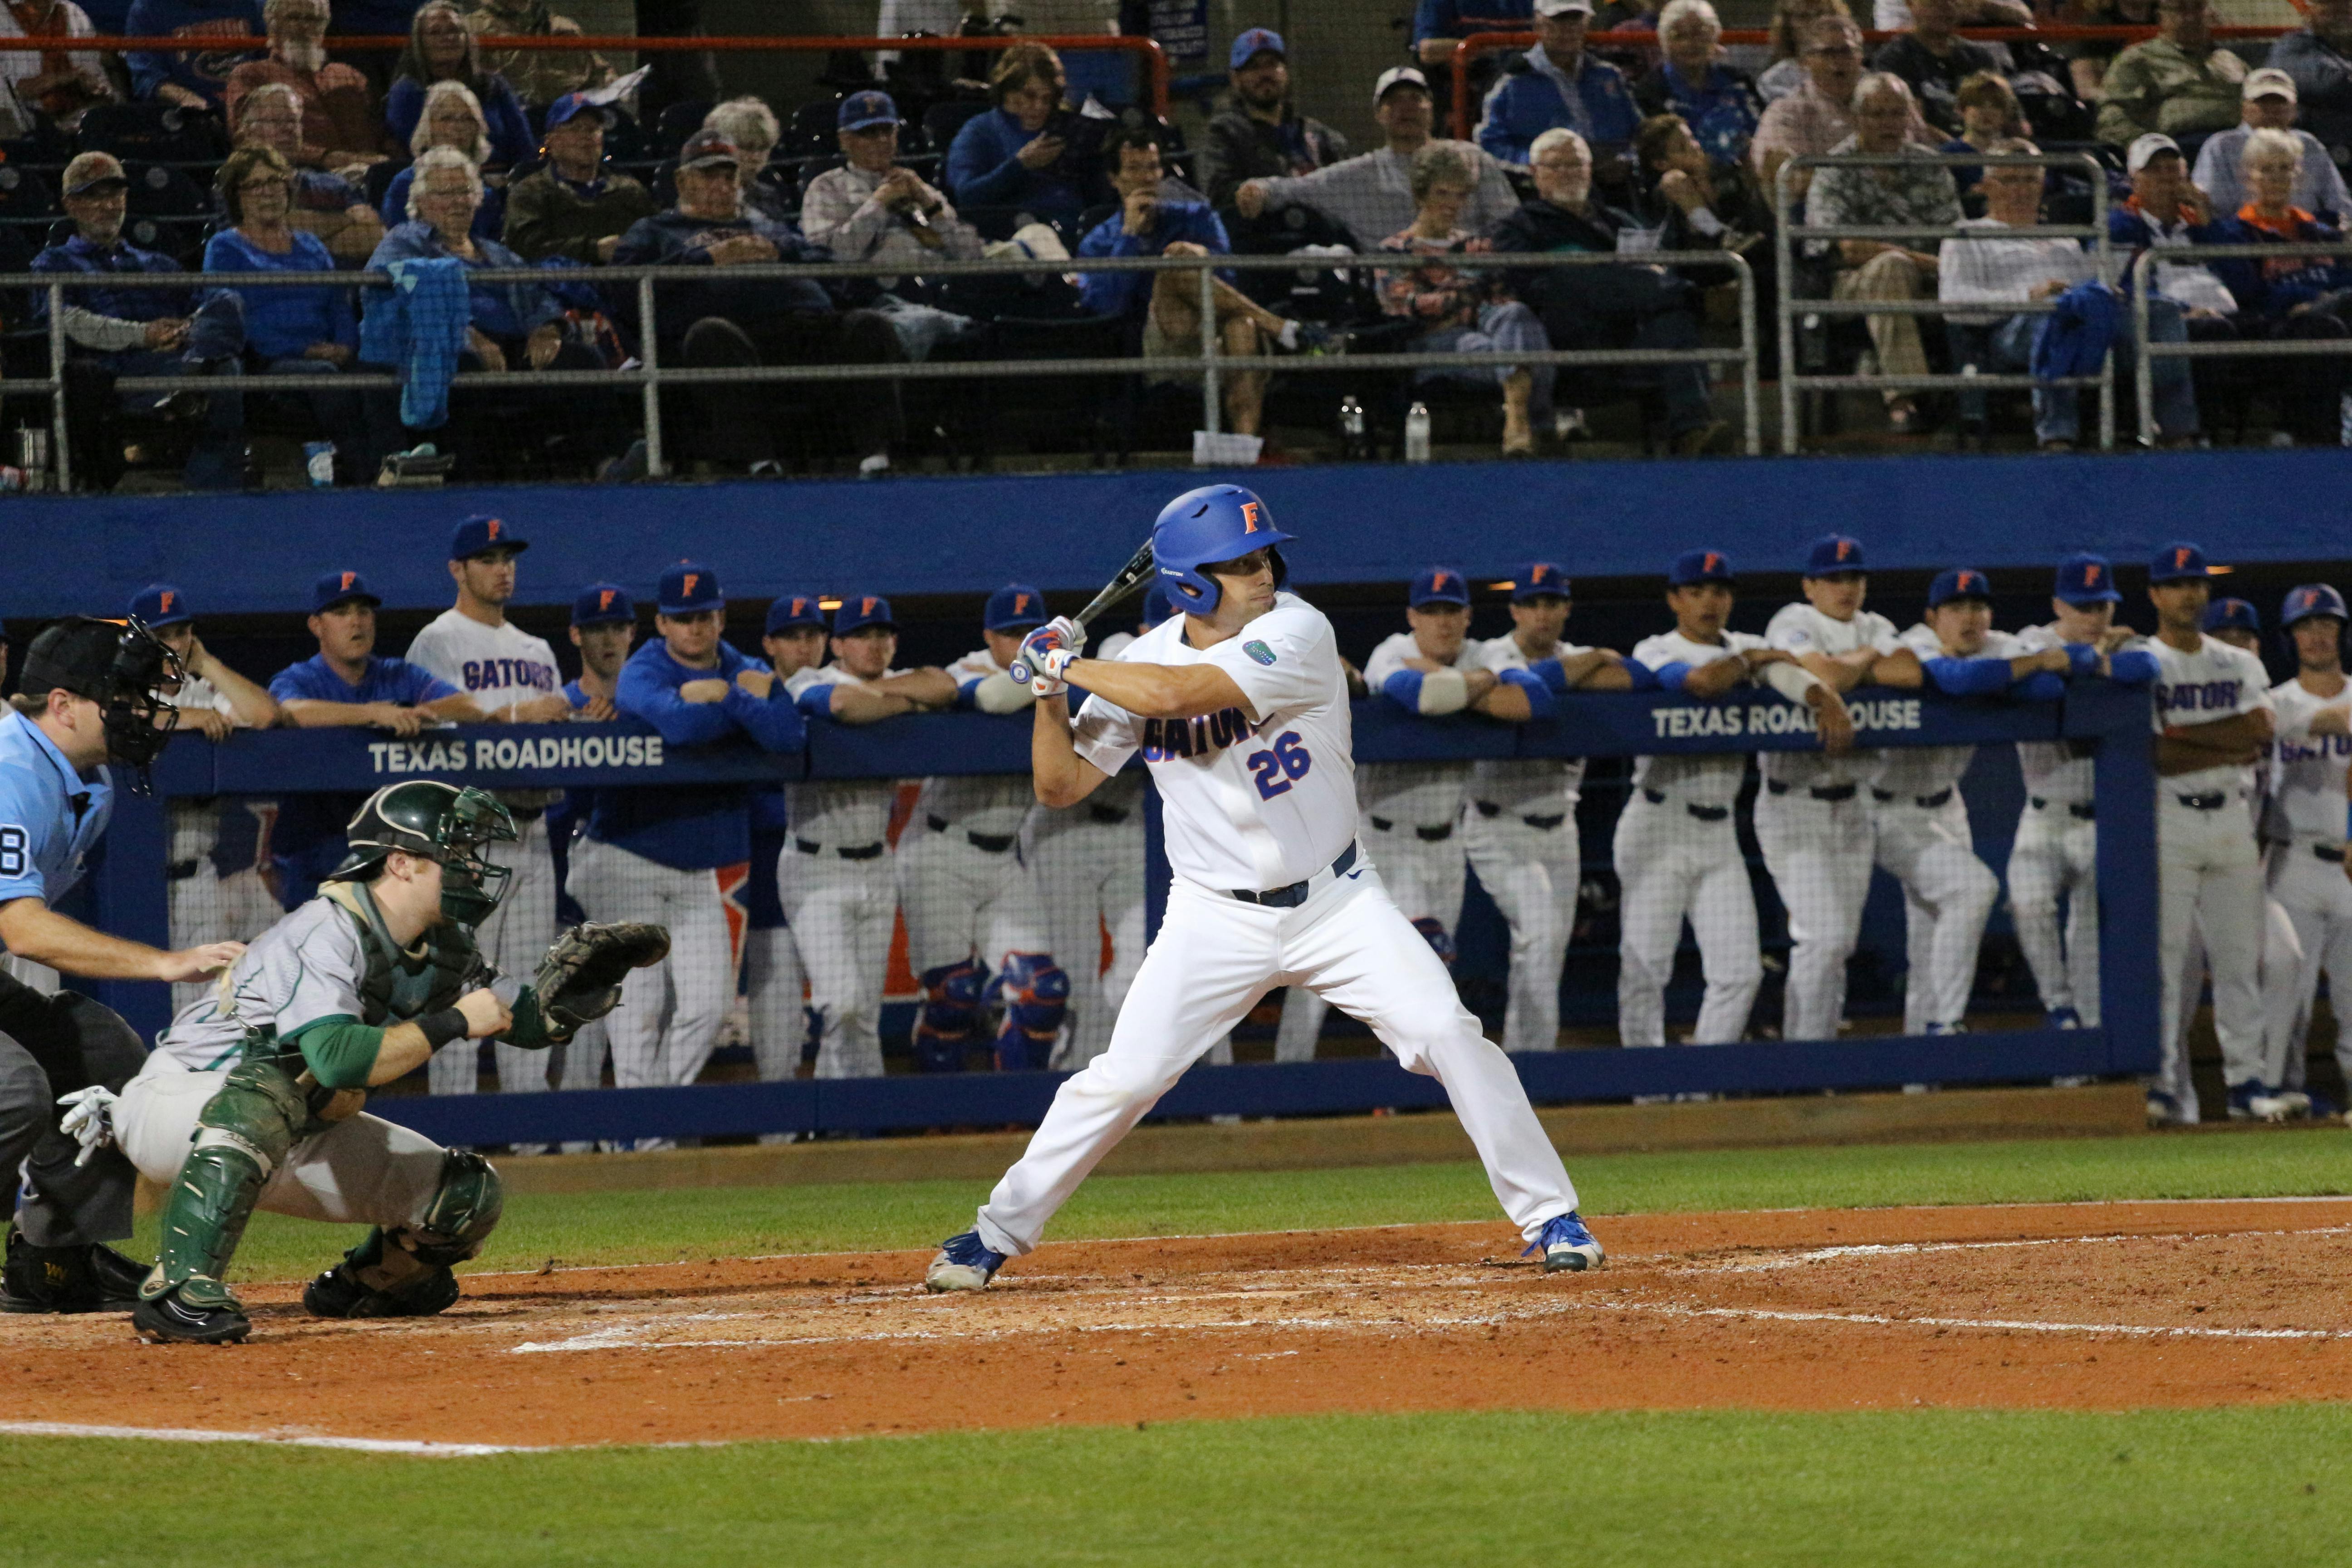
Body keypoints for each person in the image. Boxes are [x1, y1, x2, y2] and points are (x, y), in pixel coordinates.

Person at [924, 484, 1608, 1292]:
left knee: (1447, 1032)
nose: (1262, 573)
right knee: (1124, 1078)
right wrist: (1047, 693)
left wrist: (1067, 661)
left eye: (1263, 557)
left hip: (1337, 904)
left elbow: (1179, 695)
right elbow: (1060, 786)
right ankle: (993, 1232)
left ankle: (1551, 1217)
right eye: (1239, 564)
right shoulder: (1137, 662)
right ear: (1188, 585)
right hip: (1212, 918)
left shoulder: (1296, 629)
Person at [117, 782, 624, 1343]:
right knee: (271, 1090)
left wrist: (578, 997)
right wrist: (453, 1021)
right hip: (181, 1109)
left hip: (295, 1132)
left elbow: (521, 1020)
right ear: (401, 864)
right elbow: (335, 1060)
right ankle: (180, 1290)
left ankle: (362, 1285)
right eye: (454, 854)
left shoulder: (445, 945)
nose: (473, 869)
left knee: (465, 1195)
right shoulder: (324, 929)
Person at [0, 618, 243, 1316]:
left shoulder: (88, 780)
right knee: (14, 1092)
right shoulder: (11, 772)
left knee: (102, 1051)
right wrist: (166, 963)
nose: (140, 713)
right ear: (63, 704)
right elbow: (20, 927)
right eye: (122, 697)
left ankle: (54, 1257)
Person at [1280, 567, 1564, 1062]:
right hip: (1376, 841)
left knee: (1425, 972)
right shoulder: (1391, 651)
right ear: (1412, 616)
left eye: (1451, 611)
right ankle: (1287, 1077)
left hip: (1447, 843)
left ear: (1468, 616)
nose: (1442, 622)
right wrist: (1482, 688)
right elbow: (1423, 698)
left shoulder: (1484, 655)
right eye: (1430, 612)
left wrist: (1467, 679)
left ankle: (1399, 1084)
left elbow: (1534, 700)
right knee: (1336, 970)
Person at [565, 563, 801, 1109]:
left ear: (720, 618)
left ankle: (654, 1122)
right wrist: (745, 704)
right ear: (662, 624)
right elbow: (681, 727)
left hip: (695, 871)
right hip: (625, 857)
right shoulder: (643, 668)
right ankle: (643, 1137)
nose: (694, 628)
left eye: (704, 616)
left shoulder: (739, 665)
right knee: (639, 1013)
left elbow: (788, 736)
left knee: (711, 1007)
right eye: (682, 618)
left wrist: (724, 694)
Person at [1618, 549, 1853, 1049]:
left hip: (1718, 830)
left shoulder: (1748, 645)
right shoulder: (1656, 647)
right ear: (1675, 599)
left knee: (1740, 972)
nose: (1710, 602)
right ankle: (1647, 1090)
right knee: (1646, 967)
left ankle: (1700, 1084)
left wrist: (1822, 697)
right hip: (1657, 821)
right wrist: (1754, 660)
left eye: (1720, 592)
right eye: (1698, 592)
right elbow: (1703, 682)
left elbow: (1789, 675)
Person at [612, 128, 908, 479]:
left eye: (729, 176)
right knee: (712, 336)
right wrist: (707, 259)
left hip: (805, 328)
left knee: (869, 325)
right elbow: (622, 288)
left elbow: (830, 267)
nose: (722, 186)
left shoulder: (767, 226)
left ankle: (877, 459)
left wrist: (780, 251)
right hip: (734, 335)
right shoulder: (657, 230)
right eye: (709, 176)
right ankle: (759, 463)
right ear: (682, 181)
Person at [400, 516, 570, 1105]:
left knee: (527, 985)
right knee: (460, 985)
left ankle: (529, 1131)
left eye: (509, 558)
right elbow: (440, 728)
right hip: (470, 839)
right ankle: (455, 1129)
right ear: (458, 569)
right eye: (489, 559)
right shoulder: (439, 639)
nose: (503, 569)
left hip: (534, 829)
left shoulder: (537, 648)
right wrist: (520, 717)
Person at [1881, 570, 2071, 1035]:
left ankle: (1919, 1078)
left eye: (1979, 607)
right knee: (1973, 889)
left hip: (1949, 805)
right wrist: (2017, 672)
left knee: (1930, 942)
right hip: (1886, 806)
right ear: (1933, 617)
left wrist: (2006, 673)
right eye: (1956, 609)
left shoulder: (1997, 646)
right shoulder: (1911, 643)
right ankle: (1944, 1025)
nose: (1970, 619)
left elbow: (2051, 687)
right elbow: (1954, 679)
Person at [364, 147, 629, 479]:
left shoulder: (496, 253)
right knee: (466, 364)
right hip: (442, 350)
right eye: (445, 193)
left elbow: (537, 297)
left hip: (514, 347)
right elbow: (399, 297)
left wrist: (547, 330)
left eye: (465, 192)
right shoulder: (404, 241)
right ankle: (467, 476)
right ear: (421, 203)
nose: (458, 202)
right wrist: (468, 335)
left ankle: (611, 464)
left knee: (581, 357)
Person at [1462, 563, 1639, 1054]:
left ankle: (1529, 1063)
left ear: (1566, 609)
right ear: (1515, 609)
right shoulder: (1488, 653)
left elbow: (1631, 679)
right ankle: (1526, 1067)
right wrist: (1591, 662)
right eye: (1533, 603)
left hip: (1561, 829)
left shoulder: (1579, 659)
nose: (1542, 614)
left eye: (1552, 603)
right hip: (1496, 821)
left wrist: (1587, 666)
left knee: (1547, 953)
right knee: (1538, 937)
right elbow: (1523, 687)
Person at [778, 594, 956, 1080]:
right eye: (862, 635)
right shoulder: (810, 678)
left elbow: (943, 686)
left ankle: (845, 1127)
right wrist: (903, 701)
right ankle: (849, 1118)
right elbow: (842, 705)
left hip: (877, 864)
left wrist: (886, 696)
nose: (875, 644)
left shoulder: (894, 679)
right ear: (838, 645)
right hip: (815, 862)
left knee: (865, 1015)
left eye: (883, 634)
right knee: (843, 1003)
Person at [1751, 534, 1919, 1044]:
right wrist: (1865, 666)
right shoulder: (1793, 620)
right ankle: (1802, 1058)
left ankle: (1814, 1053)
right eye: (1833, 579)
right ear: (1811, 586)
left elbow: (1908, 673)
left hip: (1853, 804)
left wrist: (1857, 659)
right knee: (1822, 938)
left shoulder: (1876, 626)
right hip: (1792, 801)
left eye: (1854, 578)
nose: (1845, 587)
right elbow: (1822, 673)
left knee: (1838, 944)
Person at [2135, 542, 2276, 1127]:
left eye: (2197, 583)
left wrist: (2184, 734)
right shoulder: (2143, 661)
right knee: (2166, 963)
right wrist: (2223, 738)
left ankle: (2247, 1082)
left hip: (2231, 819)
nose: (2190, 593)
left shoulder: (2236, 659)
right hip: (2168, 817)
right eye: (2177, 584)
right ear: (2155, 595)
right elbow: (2154, 753)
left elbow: (2260, 732)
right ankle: (2163, 1086)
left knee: (2241, 960)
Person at [1938, 139, 2203, 449]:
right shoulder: (1967, 235)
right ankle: (2057, 435)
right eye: (2010, 179)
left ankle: (2179, 433)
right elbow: (1954, 304)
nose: (2021, 189)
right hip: (2010, 329)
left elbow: (2091, 287)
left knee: (2160, 311)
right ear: (1986, 186)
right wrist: (2028, 296)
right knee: (2057, 312)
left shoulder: (2065, 241)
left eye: (2030, 179)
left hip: (2084, 320)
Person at [899, 586, 1062, 1074]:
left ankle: (1015, 1115)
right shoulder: (966, 668)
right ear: (989, 636)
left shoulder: (1054, 669)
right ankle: (936, 1119)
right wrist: (1052, 667)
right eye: (1009, 634)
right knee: (953, 996)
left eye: (1028, 632)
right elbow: (993, 697)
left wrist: (1056, 666)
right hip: (939, 851)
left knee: (1043, 990)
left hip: (1004, 858)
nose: (1019, 642)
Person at [1490, 127, 1731, 456]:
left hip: (1627, 339)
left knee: (1674, 320)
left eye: (1576, 165)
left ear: (1590, 170)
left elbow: (1653, 271)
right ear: (1534, 174)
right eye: (1555, 166)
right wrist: (1631, 286)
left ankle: (1691, 432)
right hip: (1568, 352)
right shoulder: (1518, 228)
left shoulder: (1620, 221)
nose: (1567, 174)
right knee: (1669, 294)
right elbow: (1540, 288)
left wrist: (1647, 286)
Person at [267, 568, 486, 908]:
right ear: (317, 626)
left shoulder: (398, 674)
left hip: (391, 855)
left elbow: (471, 705)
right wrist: (373, 714)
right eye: (341, 613)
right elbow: (288, 712)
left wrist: (420, 713)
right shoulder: (301, 677)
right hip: (316, 852)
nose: (356, 622)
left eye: (364, 611)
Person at [34, 151, 252, 493]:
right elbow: (65, 322)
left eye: (116, 194)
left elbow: (211, 307)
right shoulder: (54, 263)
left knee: (228, 300)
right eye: (95, 196)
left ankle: (192, 378)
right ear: (71, 205)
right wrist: (144, 335)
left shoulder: (158, 263)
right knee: (225, 371)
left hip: (180, 359)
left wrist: (186, 332)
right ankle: (214, 491)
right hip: (119, 374)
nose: (109, 206)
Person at [1078, 124, 1305, 444]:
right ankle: (1279, 327)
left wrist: (1203, 258)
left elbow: (1228, 283)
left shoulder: (1196, 216)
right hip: (1161, 346)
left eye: (1153, 167)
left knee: (1241, 324)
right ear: (1114, 179)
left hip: (1217, 335)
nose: (1147, 178)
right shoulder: (1099, 240)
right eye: (1134, 169)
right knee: (1175, 261)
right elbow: (1104, 307)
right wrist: (1129, 237)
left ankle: (1244, 449)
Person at [2005, 554, 2157, 1030]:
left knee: (2091, 936)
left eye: (2101, 607)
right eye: (2082, 607)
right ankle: (2059, 1007)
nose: (2093, 617)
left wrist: (2105, 661)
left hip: (2105, 819)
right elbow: (2043, 684)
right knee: (2028, 902)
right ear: (2059, 605)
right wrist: (2095, 662)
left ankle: (2087, 1044)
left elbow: (2147, 666)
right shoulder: (2033, 641)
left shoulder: (2131, 643)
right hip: (2045, 815)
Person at [131, 585, 282, 1018]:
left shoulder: (202, 692)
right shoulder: (121, 695)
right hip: (135, 878)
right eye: (161, 634)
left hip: (197, 878)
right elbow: (120, 715)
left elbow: (265, 716)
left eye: (180, 633)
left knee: (199, 1008)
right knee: (140, 1004)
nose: (172, 645)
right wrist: (186, 720)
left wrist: (207, 664)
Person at [1029, 591, 1164, 1070]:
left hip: (1130, 828)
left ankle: (1104, 1073)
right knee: (1074, 976)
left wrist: (1058, 660)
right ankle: (1070, 1082)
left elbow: (1158, 695)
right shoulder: (1122, 647)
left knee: (1138, 966)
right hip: (1066, 829)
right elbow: (1096, 693)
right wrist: (1054, 667)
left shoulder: (1201, 666)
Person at [203, 143, 375, 476]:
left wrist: (345, 345)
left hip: (328, 355)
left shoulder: (311, 246)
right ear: (236, 196)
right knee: (327, 381)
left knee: (380, 371)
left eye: (274, 181)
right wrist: (305, 350)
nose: (267, 192)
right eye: (255, 185)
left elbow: (338, 304)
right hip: (267, 362)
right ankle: (368, 477)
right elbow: (232, 318)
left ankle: (400, 469)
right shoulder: (225, 247)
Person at [1805, 72, 1960, 433]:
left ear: (1909, 116)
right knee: (1891, 268)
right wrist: (1924, 261)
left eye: (1896, 114)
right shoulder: (1834, 168)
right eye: (1877, 115)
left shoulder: (1929, 165)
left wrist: (1941, 267)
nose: (1888, 124)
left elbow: (1955, 235)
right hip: (1850, 284)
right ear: (1858, 118)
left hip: (1933, 280)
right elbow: (1850, 249)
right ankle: (1908, 395)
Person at [1377, 142, 1553, 457]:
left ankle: (1517, 423)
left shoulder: (1473, 244)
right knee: (1529, 349)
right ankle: (1536, 424)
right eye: (1442, 194)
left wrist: (1489, 277)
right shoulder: (1395, 250)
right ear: (1421, 195)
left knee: (1516, 316)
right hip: (1431, 346)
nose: (1452, 204)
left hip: (1488, 336)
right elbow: (1412, 309)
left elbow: (1500, 302)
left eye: (1460, 195)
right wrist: (1471, 280)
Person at [1236, 66, 1521, 251]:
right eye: (1394, 102)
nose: (1406, 108)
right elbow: (1295, 188)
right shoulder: (1358, 175)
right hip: (1397, 293)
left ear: (1431, 109)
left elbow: (1511, 223)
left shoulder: (1472, 159)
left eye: (1415, 99)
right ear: (1379, 114)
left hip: (1472, 282)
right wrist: (1259, 190)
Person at [799, 90, 986, 363]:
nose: (882, 141)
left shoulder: (918, 186)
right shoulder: (827, 188)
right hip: (877, 302)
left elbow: (970, 255)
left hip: (941, 295)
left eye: (888, 131)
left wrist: (929, 204)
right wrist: (879, 203)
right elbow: (833, 260)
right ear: (845, 140)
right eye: (869, 133)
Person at [2262, 584, 2352, 1112]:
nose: (2316, 635)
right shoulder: (2275, 705)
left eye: (2326, 624)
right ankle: (2284, 1095)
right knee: (2290, 996)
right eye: (2305, 626)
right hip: (2291, 858)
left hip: (2346, 863)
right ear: (2291, 636)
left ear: (2341, 631)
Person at [2205, 128, 2352, 447]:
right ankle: (2313, 434)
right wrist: (2306, 299)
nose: (2276, 178)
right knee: (2324, 325)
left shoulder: (2319, 234)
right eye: (2266, 169)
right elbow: (2248, 291)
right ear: (2248, 177)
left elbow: (2344, 280)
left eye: (2285, 169)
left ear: (2298, 176)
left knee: (2336, 316)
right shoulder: (2235, 234)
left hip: (2334, 313)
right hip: (2274, 326)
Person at [943, 42, 1106, 231]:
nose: (1039, 107)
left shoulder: (1072, 129)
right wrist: (1020, 165)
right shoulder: (978, 131)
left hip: (1073, 233)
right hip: (1011, 234)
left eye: (1047, 99)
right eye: (1029, 96)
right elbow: (967, 196)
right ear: (1007, 90)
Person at [1197, 27, 1350, 216]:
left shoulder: (1317, 134)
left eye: (1272, 64)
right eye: (1254, 67)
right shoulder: (1224, 134)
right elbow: (1219, 195)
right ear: (1236, 79)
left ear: (1285, 72)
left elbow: (1350, 185)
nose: (1265, 74)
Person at [1476, 0, 1641, 173]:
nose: (1567, 30)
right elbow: (1489, 143)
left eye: (1575, 20)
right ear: (1537, 25)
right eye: (1558, 20)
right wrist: (1539, 168)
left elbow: (1639, 132)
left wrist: (1628, 160)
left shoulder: (1609, 75)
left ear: (1587, 24)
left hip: (1614, 181)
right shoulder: (1512, 81)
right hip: (1537, 184)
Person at [230, 80, 384, 264]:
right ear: (249, 133)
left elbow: (375, 236)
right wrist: (346, 222)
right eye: (275, 121)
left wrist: (297, 238)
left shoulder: (334, 184)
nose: (288, 129)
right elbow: (265, 235)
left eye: (293, 121)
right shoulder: (237, 184)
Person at [225, 0, 386, 171]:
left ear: (324, 27)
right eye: (294, 18)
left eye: (314, 19)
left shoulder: (350, 76)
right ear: (272, 26)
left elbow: (381, 131)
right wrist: (325, 158)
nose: (304, 27)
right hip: (294, 175)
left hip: (368, 174)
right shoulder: (252, 75)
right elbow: (247, 138)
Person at [501, 88, 655, 264]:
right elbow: (523, 248)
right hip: (556, 288)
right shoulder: (530, 192)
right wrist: (593, 250)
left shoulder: (630, 191)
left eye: (593, 129)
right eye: (575, 129)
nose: (586, 137)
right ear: (552, 139)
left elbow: (654, 238)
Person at [386, 0, 531, 167]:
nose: (448, 38)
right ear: (420, 42)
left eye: (455, 30)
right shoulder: (407, 92)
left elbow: (524, 145)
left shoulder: (493, 85)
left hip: (500, 177)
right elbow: (409, 151)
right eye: (435, 33)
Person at [2191, 69, 2350, 219]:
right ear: (2245, 108)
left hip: (2307, 238)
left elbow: (2340, 204)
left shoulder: (2309, 145)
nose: (2272, 110)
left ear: (2294, 110)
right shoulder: (2221, 146)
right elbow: (2211, 208)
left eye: (2280, 103)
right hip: (2241, 239)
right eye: (2263, 103)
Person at [2095, 0, 2248, 150]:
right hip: (2178, 150)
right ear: (2161, 16)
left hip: (2241, 145)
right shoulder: (2139, 60)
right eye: (2180, 10)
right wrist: (2146, 148)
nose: (2191, 17)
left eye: (2198, 8)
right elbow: (2111, 115)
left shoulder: (2230, 60)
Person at [1634, 0, 1762, 170]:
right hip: (1686, 176)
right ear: (1664, 42)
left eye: (1699, 33)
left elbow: (1763, 131)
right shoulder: (1650, 91)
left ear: (1715, 35)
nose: (1690, 44)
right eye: (1679, 36)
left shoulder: (1738, 82)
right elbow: (1655, 154)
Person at [380, 78, 507, 241]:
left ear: (478, 129)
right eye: (447, 119)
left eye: (467, 119)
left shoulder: (488, 193)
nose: (458, 127)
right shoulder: (405, 185)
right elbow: (400, 243)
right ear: (429, 127)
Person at [1872, 0, 2002, 137]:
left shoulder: (1980, 58)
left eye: (1952, 2)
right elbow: (1911, 122)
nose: (1944, 8)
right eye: (1934, 2)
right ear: (1911, 5)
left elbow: (2004, 113)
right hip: (1927, 152)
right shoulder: (1895, 58)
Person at [461, 0, 609, 111]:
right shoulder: (472, 28)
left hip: (561, 123)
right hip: (504, 121)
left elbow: (600, 75)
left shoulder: (563, 28)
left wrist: (609, 85)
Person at [0, 0, 113, 140]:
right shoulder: (3, 16)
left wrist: (95, 88)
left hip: (80, 131)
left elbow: (102, 87)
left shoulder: (75, 14)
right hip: (19, 135)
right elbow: (13, 94)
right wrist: (61, 79)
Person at [125, 0, 261, 110]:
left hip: (254, 113)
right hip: (190, 120)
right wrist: (184, 98)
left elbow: (272, 60)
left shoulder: (250, 5)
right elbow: (146, 77)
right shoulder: (147, 9)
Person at [2267, 0, 2352, 162]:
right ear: (2310, 14)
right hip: (2323, 150)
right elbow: (2324, 86)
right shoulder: (2293, 46)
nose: (2341, 18)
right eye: (2330, 11)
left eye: (2345, 10)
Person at [701, 96, 793, 223]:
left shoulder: (767, 196)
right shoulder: (697, 197)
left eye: (763, 148)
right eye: (746, 148)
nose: (756, 157)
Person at [1940, 71, 2024, 205]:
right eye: (1978, 105)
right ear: (1962, 110)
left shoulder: (2018, 152)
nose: (1987, 112)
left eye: (1995, 106)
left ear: (2004, 114)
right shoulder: (1947, 155)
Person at [1757, 0, 1853, 103]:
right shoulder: (1774, 80)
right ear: (1788, 24)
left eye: (1821, 14)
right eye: (1803, 16)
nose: (1814, 22)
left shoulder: (1856, 74)